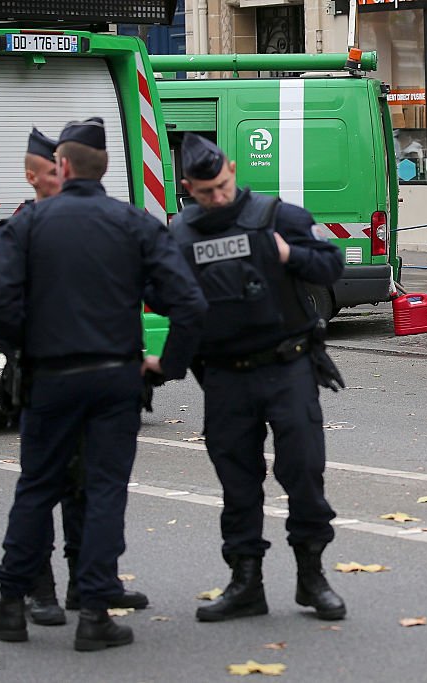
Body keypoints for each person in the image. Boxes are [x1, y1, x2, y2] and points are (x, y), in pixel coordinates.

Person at [0, 118, 207, 651]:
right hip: (115, 378)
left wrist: (23, 349)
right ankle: (95, 612)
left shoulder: (27, 225)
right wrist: (165, 365)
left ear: (62, 166)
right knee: (105, 489)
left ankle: (11, 607)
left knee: (36, 488)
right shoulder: (135, 224)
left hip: (50, 377)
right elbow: (190, 304)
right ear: (105, 169)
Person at [168, 133, 347, 623]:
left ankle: (312, 577)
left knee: (304, 472)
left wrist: (289, 255)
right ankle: (246, 582)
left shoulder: (276, 216)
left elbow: (332, 264)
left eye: (223, 186)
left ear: (231, 168)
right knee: (237, 481)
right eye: (206, 193)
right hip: (225, 376)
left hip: (287, 365)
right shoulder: (180, 234)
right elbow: (165, 297)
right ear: (188, 187)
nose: (218, 198)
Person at [0, 128, 151, 629]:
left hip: (74, 370)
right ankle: (39, 589)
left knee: (84, 485)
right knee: (47, 482)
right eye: (51, 168)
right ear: (38, 175)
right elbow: (2, 304)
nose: (61, 174)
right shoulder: (18, 228)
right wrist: (28, 349)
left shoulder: (90, 223)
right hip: (45, 369)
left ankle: (89, 583)